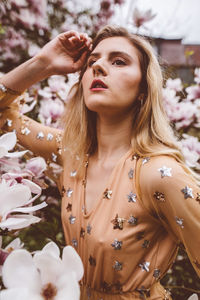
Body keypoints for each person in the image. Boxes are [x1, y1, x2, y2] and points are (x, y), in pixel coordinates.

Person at [0, 25, 200, 300]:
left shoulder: (160, 174)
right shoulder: (70, 152)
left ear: (144, 89)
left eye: (118, 61)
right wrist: (42, 64)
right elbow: (3, 118)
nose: (99, 67)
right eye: (92, 62)